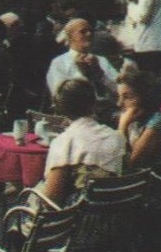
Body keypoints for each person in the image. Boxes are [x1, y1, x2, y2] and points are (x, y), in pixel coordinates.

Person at [36, 78, 126, 206]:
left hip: (77, 219)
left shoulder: (64, 142)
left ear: (59, 109)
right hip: (112, 214)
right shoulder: (116, 137)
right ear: (94, 104)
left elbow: (50, 199)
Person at [45, 17, 120, 100]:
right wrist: (83, 75)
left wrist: (99, 73)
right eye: (83, 32)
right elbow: (60, 96)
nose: (89, 34)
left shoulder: (101, 60)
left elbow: (119, 89)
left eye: (91, 31)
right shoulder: (59, 63)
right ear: (70, 37)